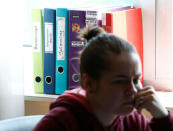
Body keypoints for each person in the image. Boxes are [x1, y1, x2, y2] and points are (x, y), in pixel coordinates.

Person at [33, 26, 173, 131]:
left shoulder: (132, 120)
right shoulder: (59, 123)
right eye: (120, 81)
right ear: (89, 83)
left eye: (136, 80)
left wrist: (162, 116)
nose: (132, 90)